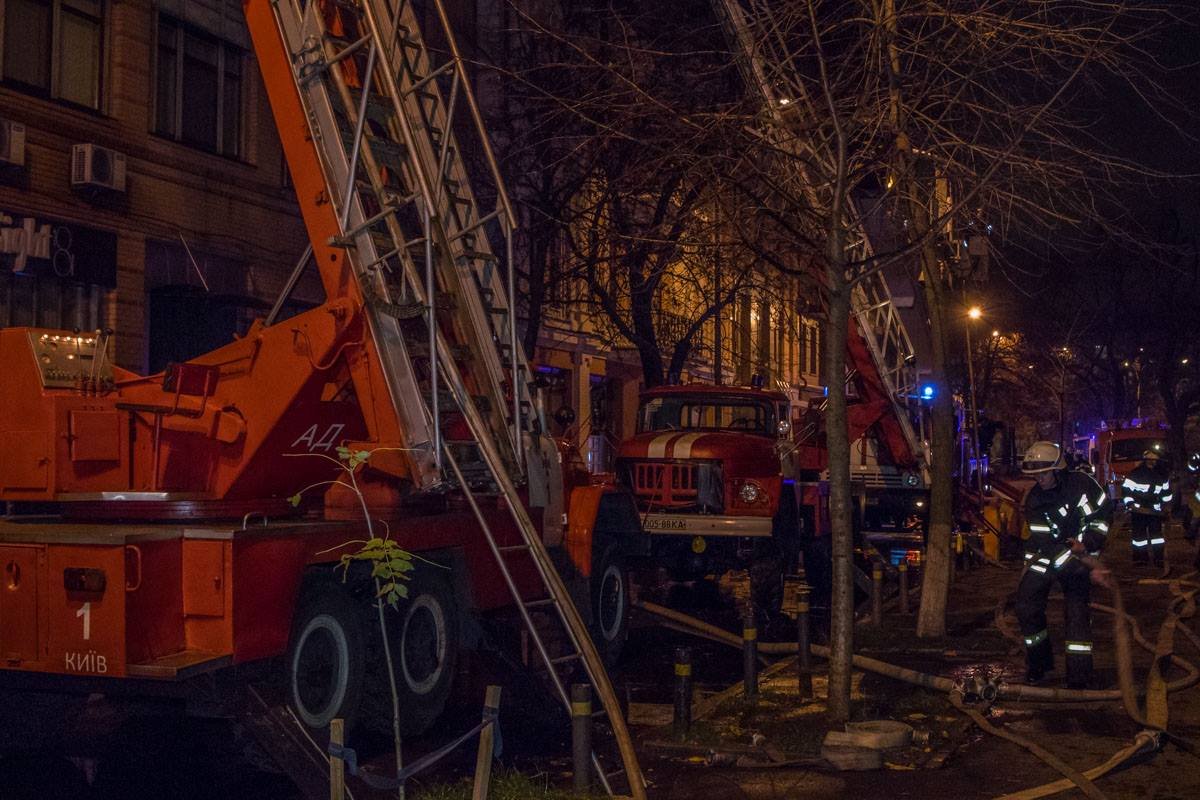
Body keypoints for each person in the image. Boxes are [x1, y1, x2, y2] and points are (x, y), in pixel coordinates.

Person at [1018, 441, 1112, 688]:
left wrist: (1088, 546)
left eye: (1044, 473)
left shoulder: (1081, 486)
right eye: (1035, 475)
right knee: (1026, 606)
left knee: (1077, 614)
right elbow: (1042, 542)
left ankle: (1079, 676)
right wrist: (1030, 568)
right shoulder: (1035, 501)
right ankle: (1039, 665)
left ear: (1058, 470)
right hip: (1049, 557)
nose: (1040, 479)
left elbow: (1100, 519)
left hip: (1080, 556)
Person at [1121, 449, 1172, 567]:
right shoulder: (1135, 474)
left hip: (1155, 512)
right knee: (1139, 538)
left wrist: (1166, 508)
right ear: (1145, 460)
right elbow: (1126, 491)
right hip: (1139, 511)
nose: (1152, 462)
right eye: (1150, 459)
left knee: (1157, 537)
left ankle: (1158, 559)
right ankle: (1140, 559)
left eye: (1154, 459)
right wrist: (1130, 505)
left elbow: (1166, 493)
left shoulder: (1162, 475)